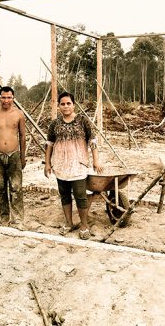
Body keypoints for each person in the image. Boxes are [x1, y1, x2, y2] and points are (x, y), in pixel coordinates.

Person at [45, 91, 103, 240]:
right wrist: (47, 164)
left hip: (78, 165)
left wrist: (96, 160)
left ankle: (84, 225)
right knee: (64, 195)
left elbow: (93, 141)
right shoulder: (54, 124)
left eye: (68, 103)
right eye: (62, 104)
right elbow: (49, 145)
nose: (65, 106)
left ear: (73, 104)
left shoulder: (83, 121)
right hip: (60, 165)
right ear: (59, 106)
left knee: (80, 196)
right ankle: (69, 223)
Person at [0, 86, 27, 229]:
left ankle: (18, 220)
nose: (6, 100)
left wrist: (23, 156)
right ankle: (4, 217)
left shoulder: (19, 114)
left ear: (13, 98)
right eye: (3, 97)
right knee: (0, 188)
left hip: (14, 154)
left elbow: (22, 136)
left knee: (16, 187)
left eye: (9, 97)